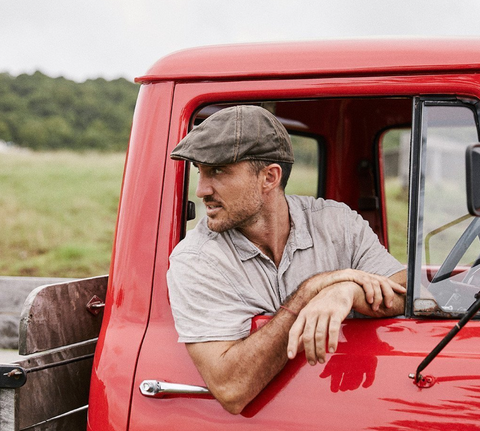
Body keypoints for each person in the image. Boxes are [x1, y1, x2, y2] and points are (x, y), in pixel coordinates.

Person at [167, 105, 406, 414]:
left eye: (218, 171)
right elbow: (231, 389)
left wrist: (345, 291)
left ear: (269, 177)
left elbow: (404, 290)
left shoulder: (337, 223)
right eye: (200, 171)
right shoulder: (196, 259)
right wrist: (310, 292)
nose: (201, 190)